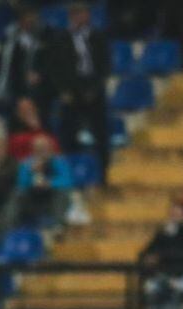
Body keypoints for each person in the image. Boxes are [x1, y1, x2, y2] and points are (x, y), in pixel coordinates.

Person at [50, 3, 111, 182]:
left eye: (82, 13)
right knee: (68, 133)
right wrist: (63, 90)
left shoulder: (98, 37)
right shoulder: (61, 38)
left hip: (93, 90)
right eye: (75, 14)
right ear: (70, 16)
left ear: (88, 15)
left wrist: (95, 88)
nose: (79, 17)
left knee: (100, 135)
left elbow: (104, 66)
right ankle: (69, 174)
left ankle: (103, 175)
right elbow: (55, 67)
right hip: (71, 91)